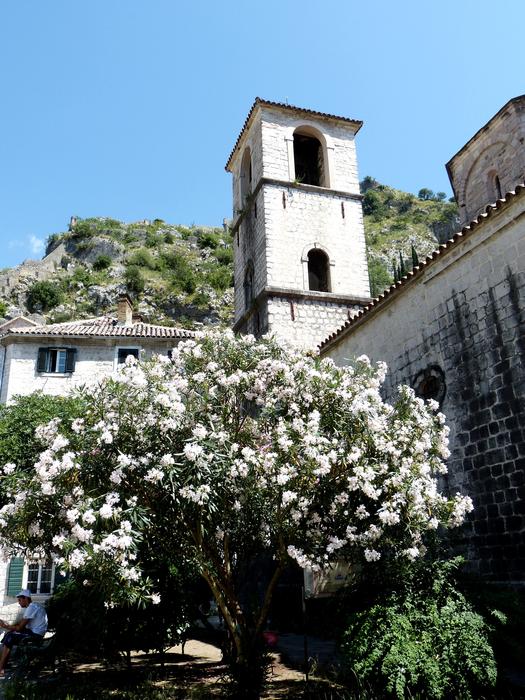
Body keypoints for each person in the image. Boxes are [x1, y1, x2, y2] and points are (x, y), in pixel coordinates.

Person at [0, 589, 48, 675]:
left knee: (10, 636)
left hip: (35, 636)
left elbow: (19, 628)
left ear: (26, 598)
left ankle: (1, 668)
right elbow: (21, 625)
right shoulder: (35, 606)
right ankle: (3, 665)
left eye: (20, 600)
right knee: (9, 635)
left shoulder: (32, 607)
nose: (19, 602)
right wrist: (8, 626)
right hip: (35, 633)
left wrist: (4, 626)